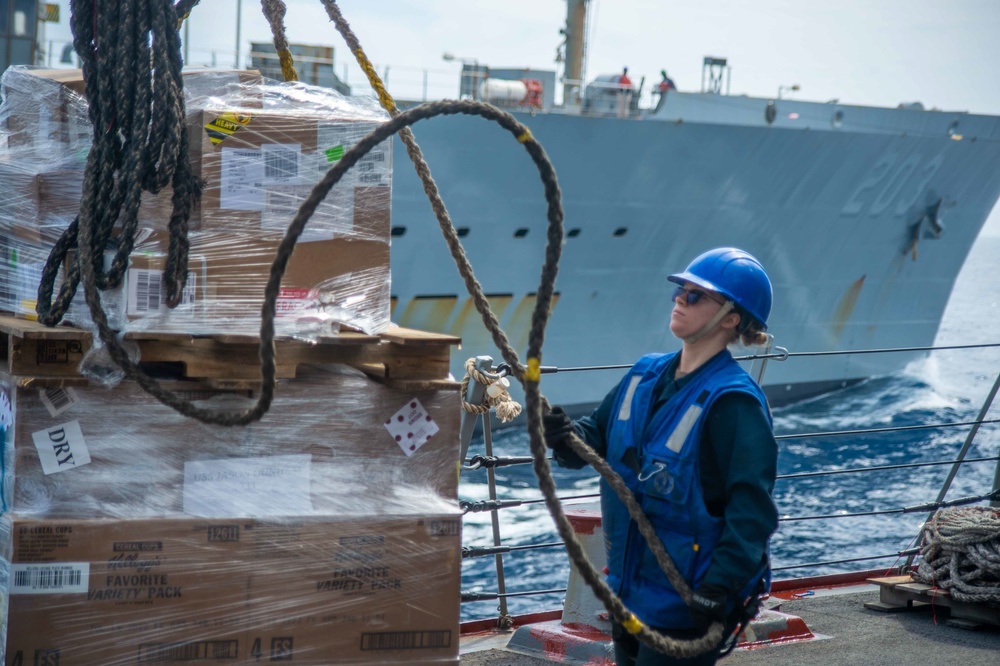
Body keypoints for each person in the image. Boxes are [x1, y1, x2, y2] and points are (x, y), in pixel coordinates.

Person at [543, 248, 778, 666]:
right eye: (680, 291)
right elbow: (591, 442)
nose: (679, 301)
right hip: (628, 594)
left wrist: (717, 591)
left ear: (730, 318)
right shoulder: (642, 375)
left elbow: (751, 512)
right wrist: (562, 436)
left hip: (685, 605)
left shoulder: (734, 404)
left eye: (694, 296)